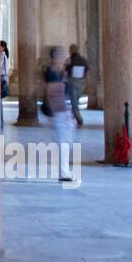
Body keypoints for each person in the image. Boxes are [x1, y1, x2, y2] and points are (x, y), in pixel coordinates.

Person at [43, 47, 75, 182]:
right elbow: (53, 94)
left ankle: (64, 170)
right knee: (64, 143)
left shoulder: (60, 71)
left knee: (67, 142)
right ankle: (64, 172)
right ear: (55, 56)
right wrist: (63, 111)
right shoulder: (52, 72)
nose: (65, 57)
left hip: (62, 112)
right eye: (62, 54)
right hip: (59, 112)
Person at [64, 44, 89, 127]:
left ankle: (79, 120)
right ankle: (73, 117)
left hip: (72, 82)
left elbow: (65, 70)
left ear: (71, 50)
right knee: (76, 101)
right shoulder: (84, 60)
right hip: (81, 82)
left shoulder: (70, 60)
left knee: (74, 102)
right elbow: (87, 71)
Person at [0, 40, 10, 132]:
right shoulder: (2, 55)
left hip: (0, 78)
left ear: (2, 47)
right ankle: (0, 123)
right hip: (1, 78)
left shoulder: (2, 55)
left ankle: (0, 123)